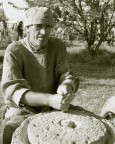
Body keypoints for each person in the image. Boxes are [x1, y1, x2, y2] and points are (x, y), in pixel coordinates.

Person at [1, 6, 79, 144]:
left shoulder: (57, 45)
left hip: (53, 107)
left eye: (48, 26)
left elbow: (67, 74)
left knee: (86, 126)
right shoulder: (14, 51)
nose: (44, 32)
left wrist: (66, 86)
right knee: (11, 133)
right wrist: (49, 99)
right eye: (38, 26)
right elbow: (14, 91)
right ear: (27, 27)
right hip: (23, 109)